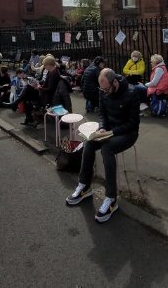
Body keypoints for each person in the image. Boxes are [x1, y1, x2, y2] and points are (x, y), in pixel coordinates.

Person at [65, 69, 142, 224]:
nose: (104, 92)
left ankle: (111, 199)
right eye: (102, 89)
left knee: (107, 148)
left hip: (128, 133)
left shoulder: (132, 93)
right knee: (89, 142)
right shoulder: (103, 91)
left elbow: (134, 124)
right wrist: (101, 127)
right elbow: (102, 114)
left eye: (107, 89)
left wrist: (112, 132)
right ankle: (84, 186)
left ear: (114, 82)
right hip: (108, 130)